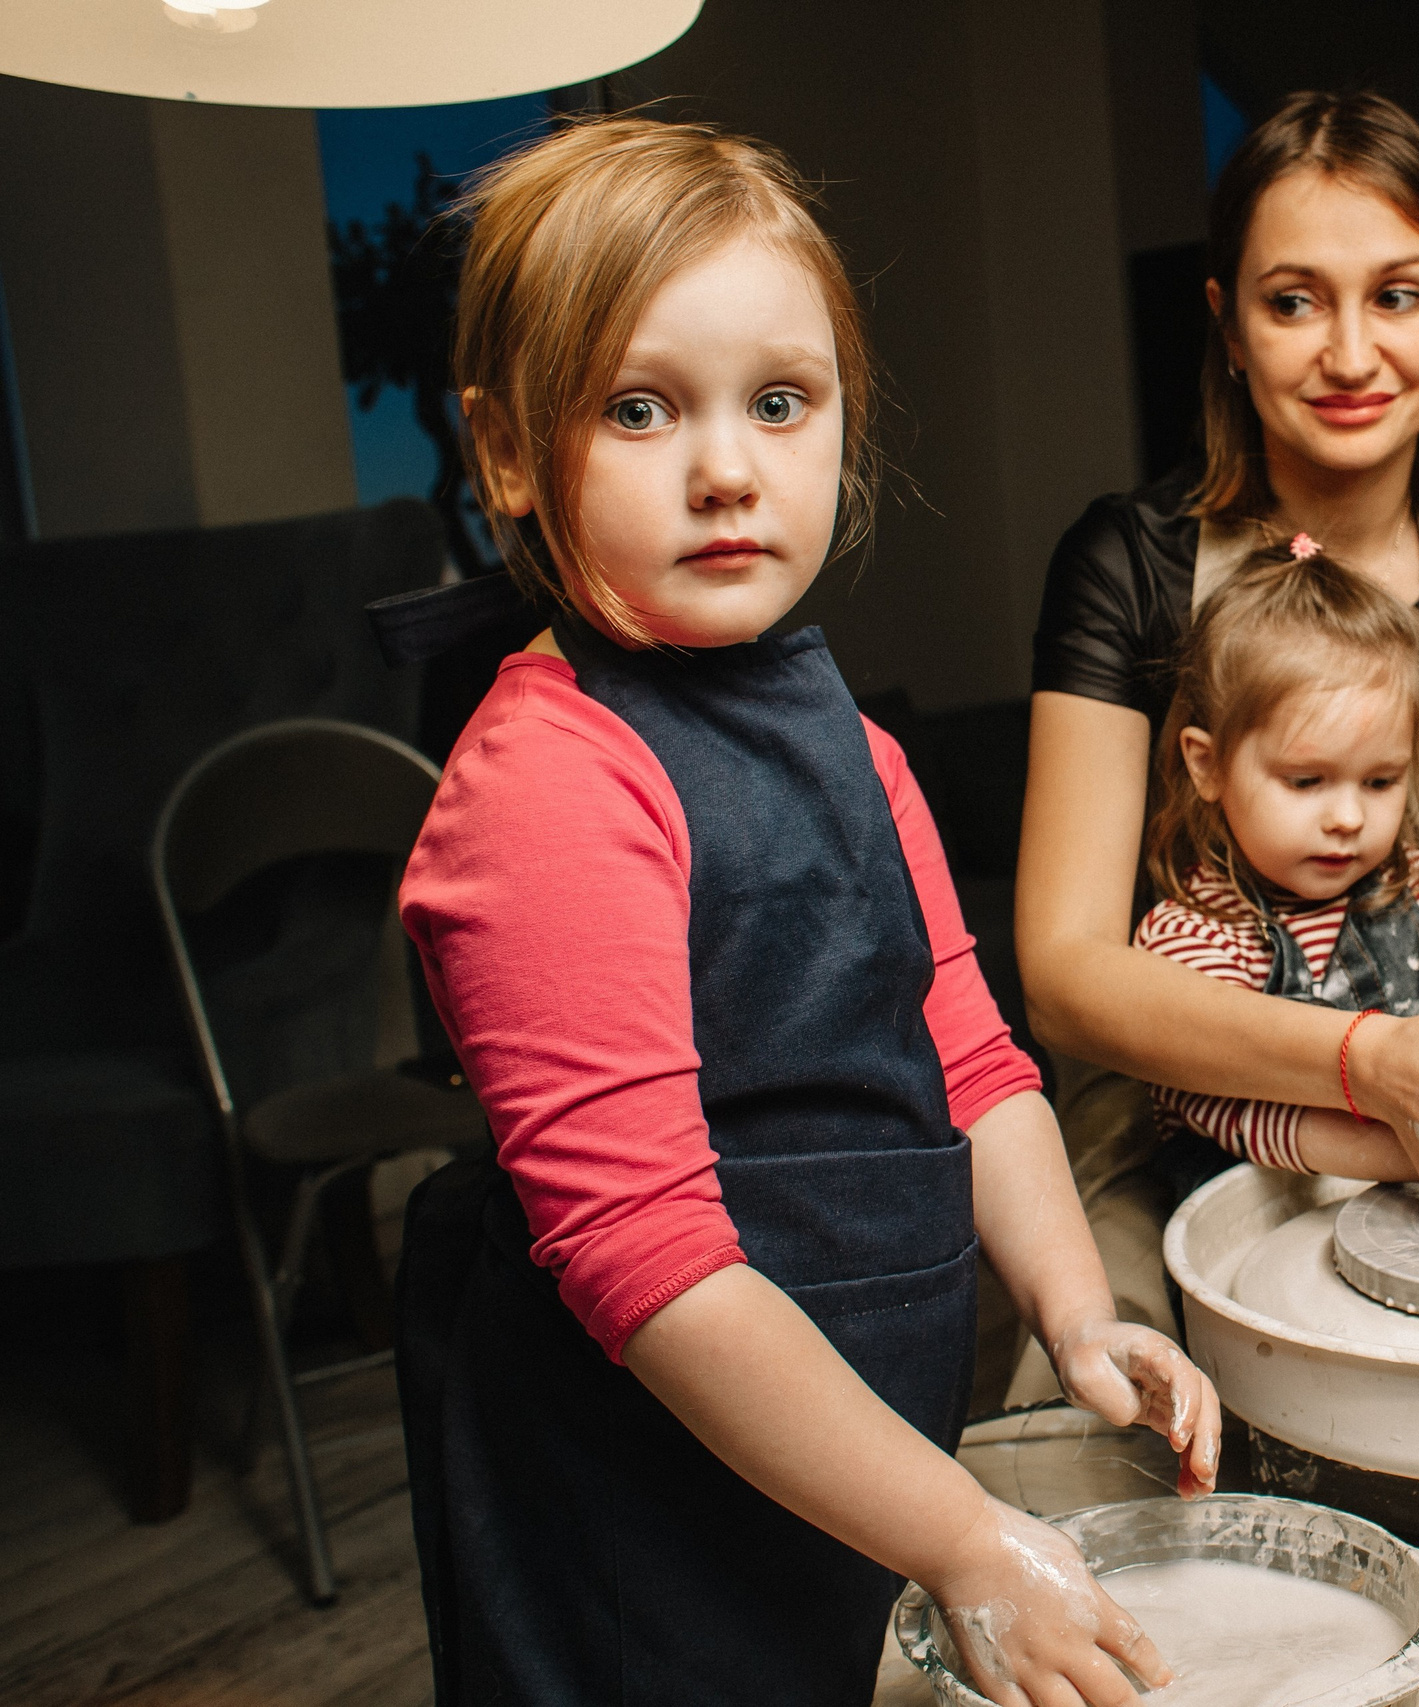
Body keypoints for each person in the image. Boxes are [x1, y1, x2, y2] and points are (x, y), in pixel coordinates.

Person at [390, 118, 1217, 1707]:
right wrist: (969, 1537)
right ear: (504, 451)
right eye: (639, 408)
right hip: (646, 1518)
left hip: (852, 1476)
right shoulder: (551, 786)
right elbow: (650, 1257)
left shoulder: (858, 744)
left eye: (781, 401)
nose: (726, 467)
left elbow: (975, 1064)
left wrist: (1076, 1303)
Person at [1015, 91, 1419, 1367]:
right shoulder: (1126, 562)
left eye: (1397, 296)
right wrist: (1366, 1065)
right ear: (1227, 326)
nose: (1351, 354)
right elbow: (1068, 976)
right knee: (1125, 1407)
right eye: (1293, 301)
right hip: (1179, 1116)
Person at [1134, 539, 1419, 1181]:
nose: (1349, 819)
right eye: (1306, 781)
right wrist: (1402, 1157)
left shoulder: (1414, 886)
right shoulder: (1190, 939)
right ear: (1208, 765)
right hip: (1266, 1210)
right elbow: (1219, 1106)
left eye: (1380, 782)